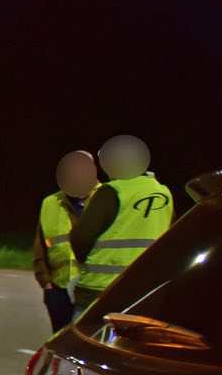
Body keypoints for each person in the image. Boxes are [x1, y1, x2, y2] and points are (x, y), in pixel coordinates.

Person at [70, 133, 175, 317]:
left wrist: (82, 261)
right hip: (146, 290)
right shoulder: (164, 193)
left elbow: (81, 237)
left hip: (102, 288)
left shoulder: (112, 191)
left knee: (84, 343)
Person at [33, 150, 96, 332]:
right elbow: (40, 244)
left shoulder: (106, 197)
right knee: (62, 345)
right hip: (58, 288)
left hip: (91, 289)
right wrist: (45, 281)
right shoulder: (50, 202)